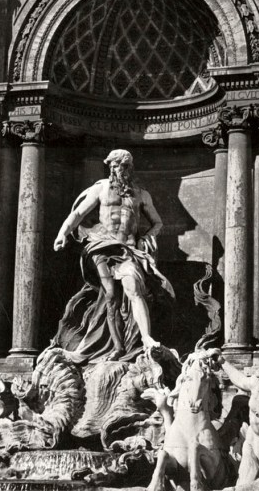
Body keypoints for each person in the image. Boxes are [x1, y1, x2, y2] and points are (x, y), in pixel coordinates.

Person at [52, 149, 174, 364]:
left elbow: (158, 222)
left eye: (125, 166)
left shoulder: (141, 194)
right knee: (111, 296)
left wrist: (147, 237)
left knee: (134, 287)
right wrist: (62, 233)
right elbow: (79, 213)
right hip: (102, 246)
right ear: (110, 167)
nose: (121, 170)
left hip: (126, 249)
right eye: (116, 165)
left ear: (130, 168)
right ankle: (117, 346)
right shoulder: (101, 188)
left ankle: (146, 338)